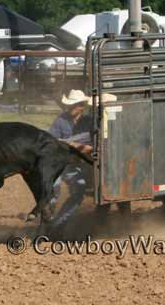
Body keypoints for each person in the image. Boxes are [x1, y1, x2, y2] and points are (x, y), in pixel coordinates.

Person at [44, 90, 116, 235]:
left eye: (74, 105)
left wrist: (67, 143)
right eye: (70, 105)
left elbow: (94, 142)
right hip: (60, 163)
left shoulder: (89, 121)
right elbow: (51, 142)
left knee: (80, 189)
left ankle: (58, 224)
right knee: (53, 189)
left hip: (78, 164)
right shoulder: (60, 120)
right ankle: (47, 221)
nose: (70, 108)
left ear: (82, 106)